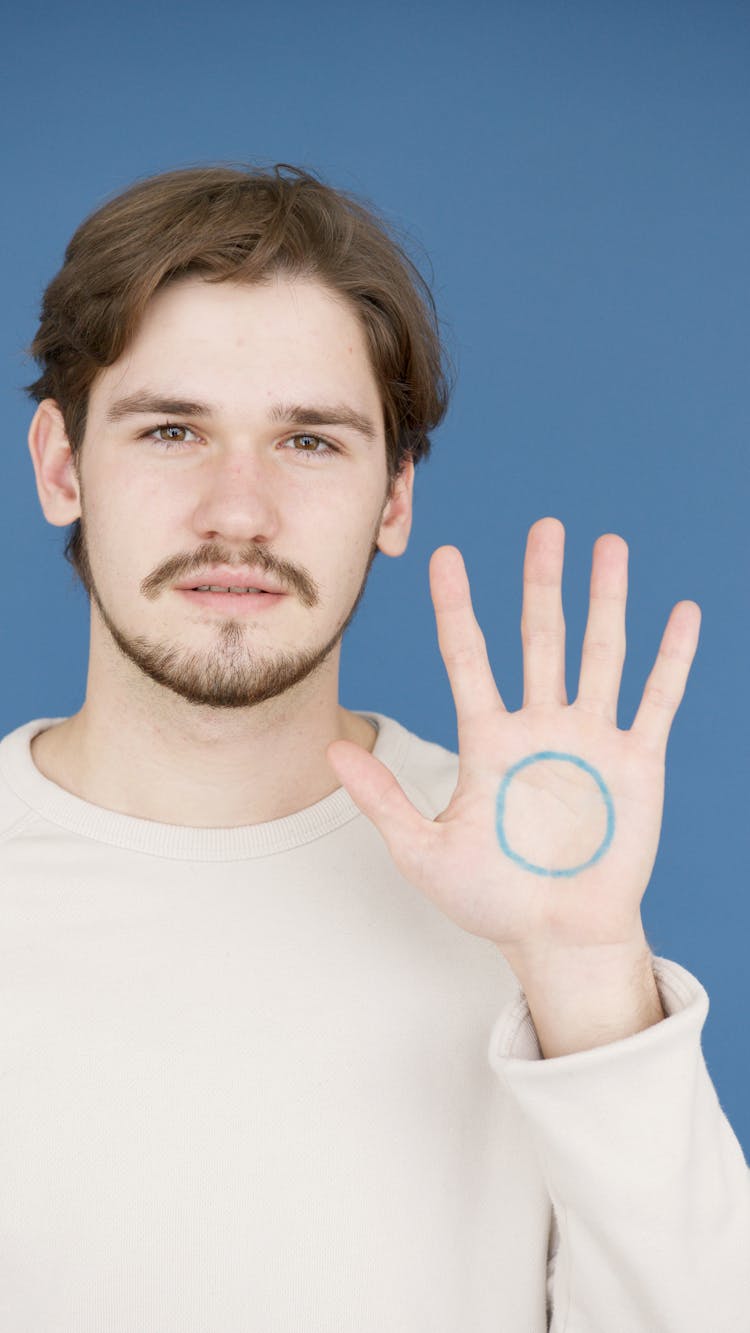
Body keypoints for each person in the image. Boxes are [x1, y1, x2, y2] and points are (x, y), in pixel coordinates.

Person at [1, 162, 747, 1331]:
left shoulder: (522, 881)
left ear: (395, 497)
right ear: (61, 466)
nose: (236, 511)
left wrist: (588, 968)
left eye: (309, 442)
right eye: (171, 428)